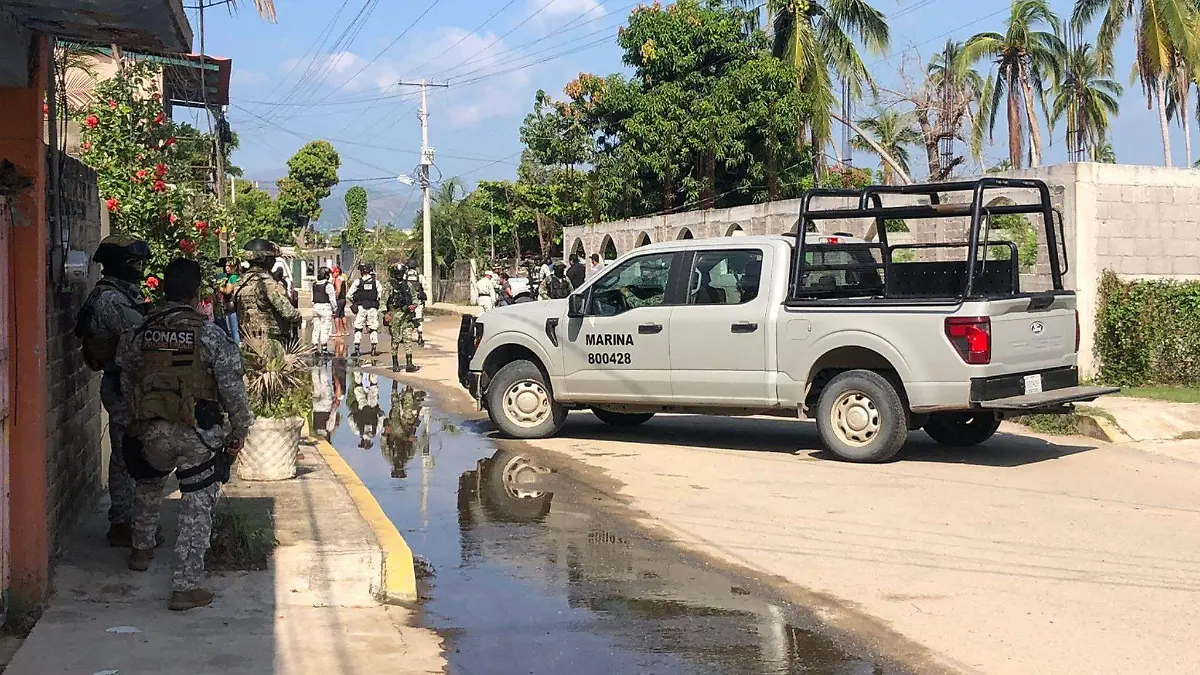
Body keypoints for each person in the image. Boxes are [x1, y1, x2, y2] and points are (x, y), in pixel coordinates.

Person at [119, 258, 251, 611]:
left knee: (148, 484)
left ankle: (141, 550)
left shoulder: (142, 333)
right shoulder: (208, 335)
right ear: (195, 294)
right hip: (195, 435)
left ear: (163, 291)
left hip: (150, 430)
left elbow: (127, 377)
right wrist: (239, 430)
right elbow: (232, 390)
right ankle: (185, 586)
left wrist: (134, 420)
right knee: (196, 502)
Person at [74, 234, 151, 548]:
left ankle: (127, 520)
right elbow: (142, 337)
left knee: (129, 452)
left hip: (125, 383)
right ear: (120, 265)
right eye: (134, 262)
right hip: (122, 384)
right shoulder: (111, 300)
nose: (140, 268)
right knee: (127, 454)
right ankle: (122, 522)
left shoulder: (119, 293)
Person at [233, 239, 301, 344]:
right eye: (272, 258)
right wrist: (298, 317)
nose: (273, 261)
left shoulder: (239, 283)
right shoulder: (267, 283)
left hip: (247, 340)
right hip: (270, 342)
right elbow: (288, 312)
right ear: (264, 259)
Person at [381, 385, 427, 479]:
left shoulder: (388, 456)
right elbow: (415, 444)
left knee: (395, 407)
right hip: (406, 430)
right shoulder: (408, 457)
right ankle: (409, 391)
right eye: (401, 468)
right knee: (408, 411)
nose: (399, 465)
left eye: (397, 468)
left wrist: (386, 432)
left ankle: (395, 386)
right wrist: (412, 439)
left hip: (394, 430)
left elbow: (383, 443)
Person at [385, 263, 421, 373]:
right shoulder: (389, 286)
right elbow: (383, 301)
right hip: (394, 317)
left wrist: (413, 305)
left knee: (408, 339)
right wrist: (385, 314)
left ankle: (409, 364)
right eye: (397, 273)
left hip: (406, 317)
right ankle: (395, 363)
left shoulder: (408, 285)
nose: (399, 275)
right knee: (395, 340)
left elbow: (415, 298)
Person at [348, 263, 381, 358]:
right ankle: (374, 349)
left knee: (358, 328)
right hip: (372, 307)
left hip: (361, 307)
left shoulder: (358, 282)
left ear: (361, 272)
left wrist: (354, 302)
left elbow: (349, 295)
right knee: (373, 328)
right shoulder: (376, 282)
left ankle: (357, 349)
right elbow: (379, 296)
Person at [403, 259, 428, 347]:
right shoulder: (420, 276)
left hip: (407, 300)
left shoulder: (404, 276)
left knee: (405, 318)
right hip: (417, 300)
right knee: (419, 319)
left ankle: (405, 337)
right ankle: (420, 336)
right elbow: (426, 287)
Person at [311, 266, 335, 357]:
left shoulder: (314, 284)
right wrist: (334, 309)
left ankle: (314, 347)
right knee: (325, 328)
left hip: (316, 307)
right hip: (325, 307)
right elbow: (332, 299)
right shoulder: (328, 285)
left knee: (316, 327)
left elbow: (312, 298)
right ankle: (324, 349)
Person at [219, 258, 241, 345]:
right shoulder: (231, 277)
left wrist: (219, 288)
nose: (227, 268)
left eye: (229, 266)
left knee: (233, 330)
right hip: (230, 306)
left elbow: (227, 291)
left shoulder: (233, 277)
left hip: (232, 306)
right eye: (226, 266)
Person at [332, 266, 348, 337]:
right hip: (343, 299)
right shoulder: (342, 279)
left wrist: (335, 297)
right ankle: (346, 331)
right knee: (342, 315)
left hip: (339, 299)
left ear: (337, 272)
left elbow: (338, 290)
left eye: (333, 272)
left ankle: (338, 331)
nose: (332, 274)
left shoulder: (338, 280)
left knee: (336, 315)